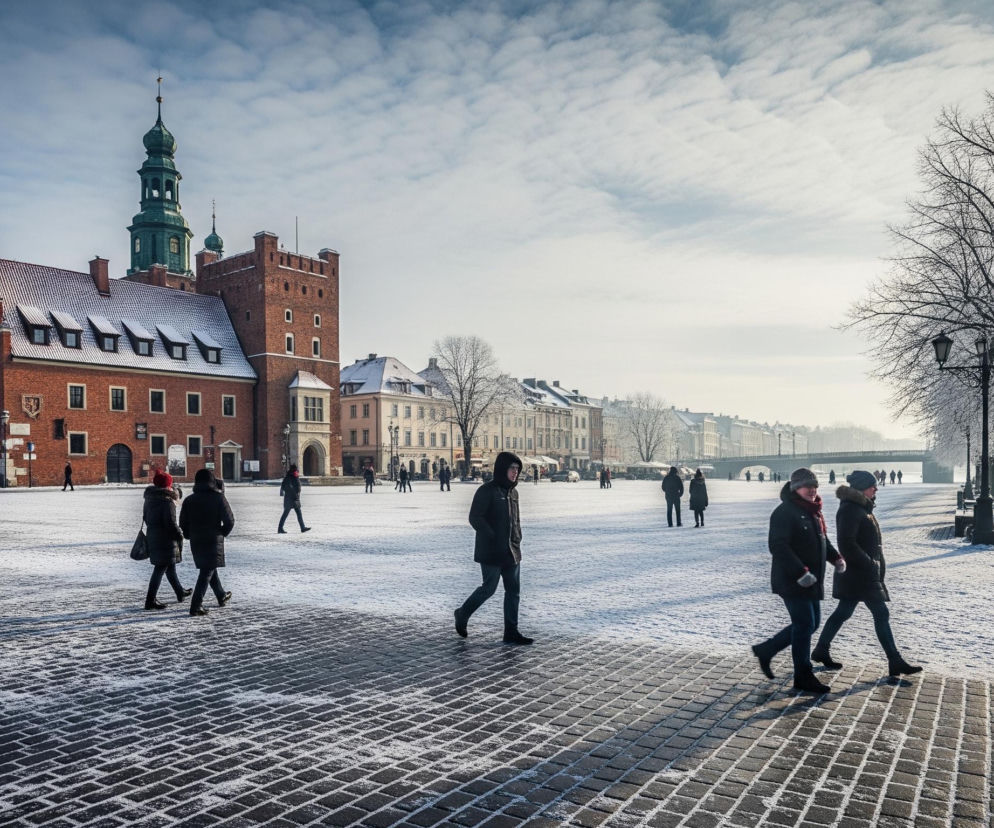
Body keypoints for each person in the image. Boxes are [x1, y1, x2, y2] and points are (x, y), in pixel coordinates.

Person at [811, 470, 922, 678]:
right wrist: (870, 563)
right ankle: (894, 660)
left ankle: (821, 649)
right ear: (862, 488)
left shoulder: (861, 507)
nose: (876, 488)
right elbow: (847, 544)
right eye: (873, 486)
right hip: (859, 574)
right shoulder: (851, 509)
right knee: (880, 613)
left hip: (862, 574)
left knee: (844, 612)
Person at [751, 468, 846, 693]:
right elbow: (778, 546)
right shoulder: (785, 512)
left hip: (811, 579)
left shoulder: (814, 511)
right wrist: (800, 572)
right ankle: (803, 676)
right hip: (792, 580)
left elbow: (823, 540)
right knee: (804, 624)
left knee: (810, 624)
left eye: (814, 486)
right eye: (807, 486)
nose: (812, 490)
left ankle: (767, 650)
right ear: (796, 488)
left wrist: (836, 557)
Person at [453, 451, 533, 645]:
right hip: (491, 550)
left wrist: (517, 537)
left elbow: (516, 520)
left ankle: (511, 631)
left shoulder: (513, 493)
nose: (515, 472)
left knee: (513, 591)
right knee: (489, 588)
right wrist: (491, 535)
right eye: (512, 468)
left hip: (511, 550)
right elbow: (475, 517)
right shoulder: (487, 491)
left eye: (517, 469)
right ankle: (462, 614)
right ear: (502, 469)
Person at [179, 469, 235, 617]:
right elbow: (230, 521)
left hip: (197, 540)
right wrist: (222, 533)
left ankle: (221, 595)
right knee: (207, 571)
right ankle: (196, 606)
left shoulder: (189, 500)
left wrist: (188, 534)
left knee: (208, 567)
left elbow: (182, 522)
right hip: (213, 539)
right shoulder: (219, 498)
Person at [142, 470, 190, 610]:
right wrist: (179, 534)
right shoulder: (167, 501)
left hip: (153, 535)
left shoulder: (149, 499)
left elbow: (146, 518)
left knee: (170, 567)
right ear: (167, 486)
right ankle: (150, 600)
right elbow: (170, 523)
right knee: (160, 568)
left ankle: (180, 592)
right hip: (165, 539)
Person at [278, 464, 310, 533]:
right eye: (296, 470)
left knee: (299, 513)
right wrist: (294, 492)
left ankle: (302, 527)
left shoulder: (295, 476)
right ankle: (280, 528)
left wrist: (296, 492)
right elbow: (286, 487)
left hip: (295, 498)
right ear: (293, 470)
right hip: (290, 499)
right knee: (285, 514)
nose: (297, 471)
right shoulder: (289, 477)